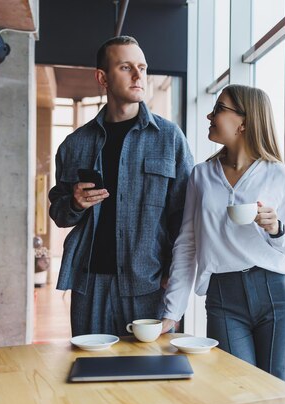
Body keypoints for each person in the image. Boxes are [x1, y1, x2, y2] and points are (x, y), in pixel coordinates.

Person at [161, 85, 285, 404]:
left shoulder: (280, 175)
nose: (210, 116)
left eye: (219, 109)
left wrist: (275, 228)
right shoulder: (201, 176)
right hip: (224, 299)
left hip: (276, 295)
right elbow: (187, 244)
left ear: (243, 122)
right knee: (236, 402)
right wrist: (172, 312)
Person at [49, 36, 194, 337]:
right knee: (90, 375)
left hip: (149, 285)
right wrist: (74, 203)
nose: (139, 76)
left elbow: (186, 218)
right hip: (89, 286)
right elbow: (59, 213)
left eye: (142, 67)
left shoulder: (170, 139)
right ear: (102, 77)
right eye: (126, 67)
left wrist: (173, 282)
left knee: (151, 377)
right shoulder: (74, 145)